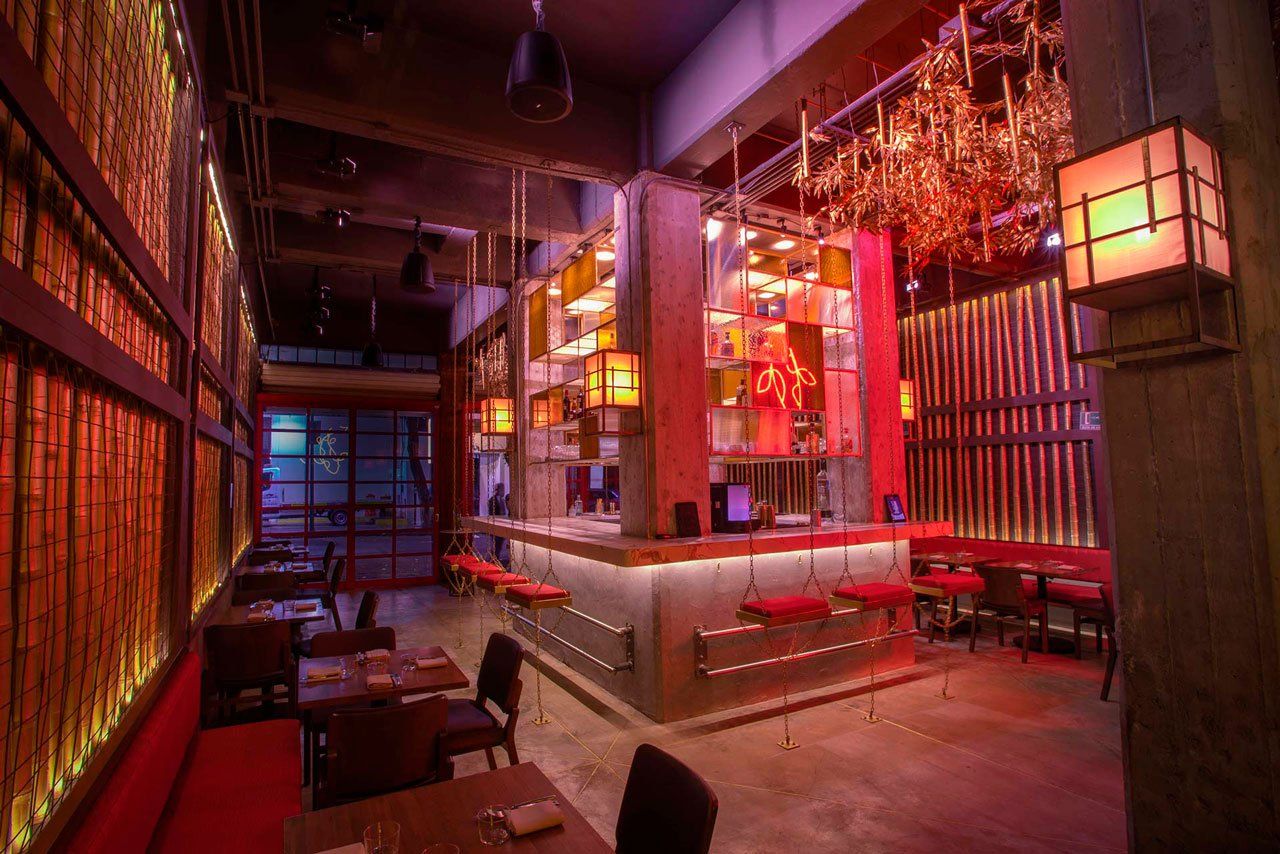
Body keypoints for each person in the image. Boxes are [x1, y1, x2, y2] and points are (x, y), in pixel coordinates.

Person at [488, 483, 508, 563]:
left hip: (502, 525)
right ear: (499, 490)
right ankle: (493, 559)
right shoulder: (492, 500)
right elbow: (491, 513)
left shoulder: (502, 500)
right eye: (502, 489)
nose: (503, 491)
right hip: (495, 525)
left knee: (499, 543)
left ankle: (496, 558)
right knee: (496, 543)